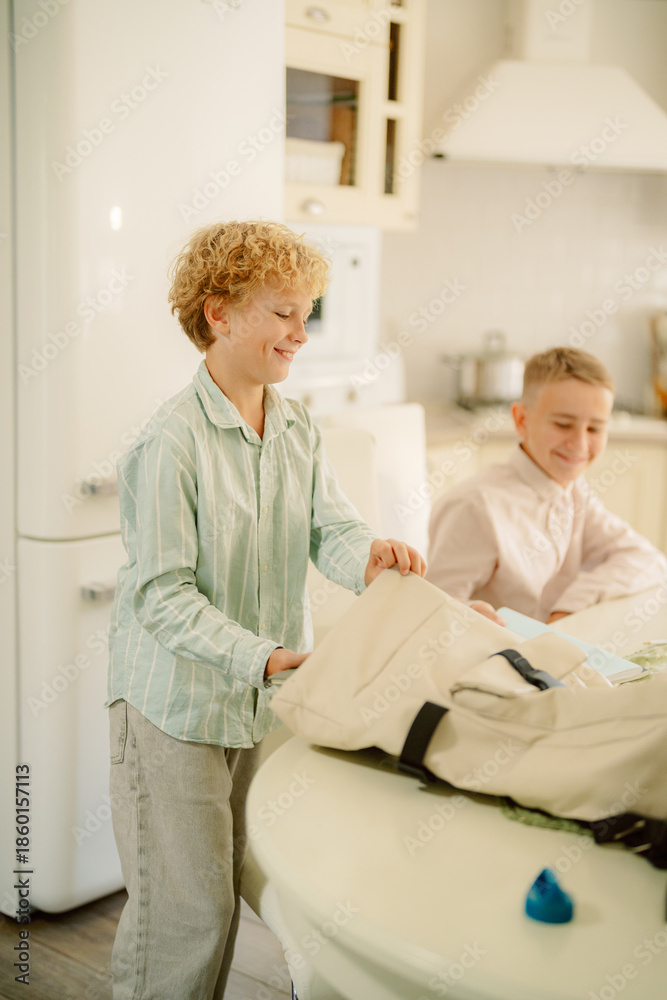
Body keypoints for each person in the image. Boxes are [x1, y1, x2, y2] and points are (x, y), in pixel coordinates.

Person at [106, 220, 426, 1000]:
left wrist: (370, 557)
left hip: (255, 700)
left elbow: (329, 526)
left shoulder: (292, 423)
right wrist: (267, 657)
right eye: (284, 312)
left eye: (306, 311)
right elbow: (161, 596)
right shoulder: (171, 443)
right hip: (172, 708)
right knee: (187, 913)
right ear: (219, 314)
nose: (301, 333)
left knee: (232, 894)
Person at [426, 347, 667, 625]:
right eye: (563, 424)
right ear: (521, 420)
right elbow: (434, 610)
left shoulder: (574, 492)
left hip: (554, 647)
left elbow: (647, 558)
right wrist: (469, 615)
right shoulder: (475, 506)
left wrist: (569, 607)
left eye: (594, 429)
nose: (579, 444)